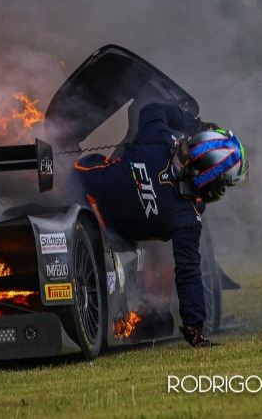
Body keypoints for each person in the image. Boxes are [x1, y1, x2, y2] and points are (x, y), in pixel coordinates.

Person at [73, 102, 248, 348]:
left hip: (76, 186)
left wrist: (193, 123)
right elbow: (189, 274)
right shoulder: (186, 219)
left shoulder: (156, 138)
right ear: (209, 175)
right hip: (106, 236)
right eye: (222, 183)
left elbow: (152, 108)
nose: (221, 189)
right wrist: (194, 328)